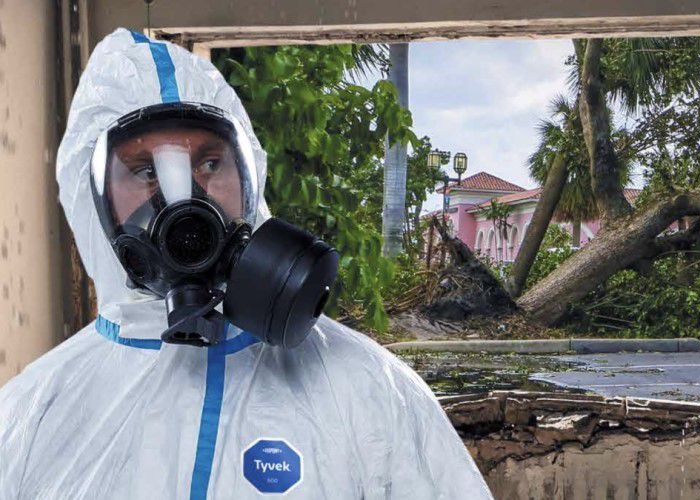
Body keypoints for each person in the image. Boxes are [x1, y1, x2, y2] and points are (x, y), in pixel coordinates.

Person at [0, 28, 492, 499]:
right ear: (96, 203)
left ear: (249, 178)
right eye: (146, 171)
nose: (183, 200)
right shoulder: (34, 412)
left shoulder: (368, 390)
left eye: (209, 163)